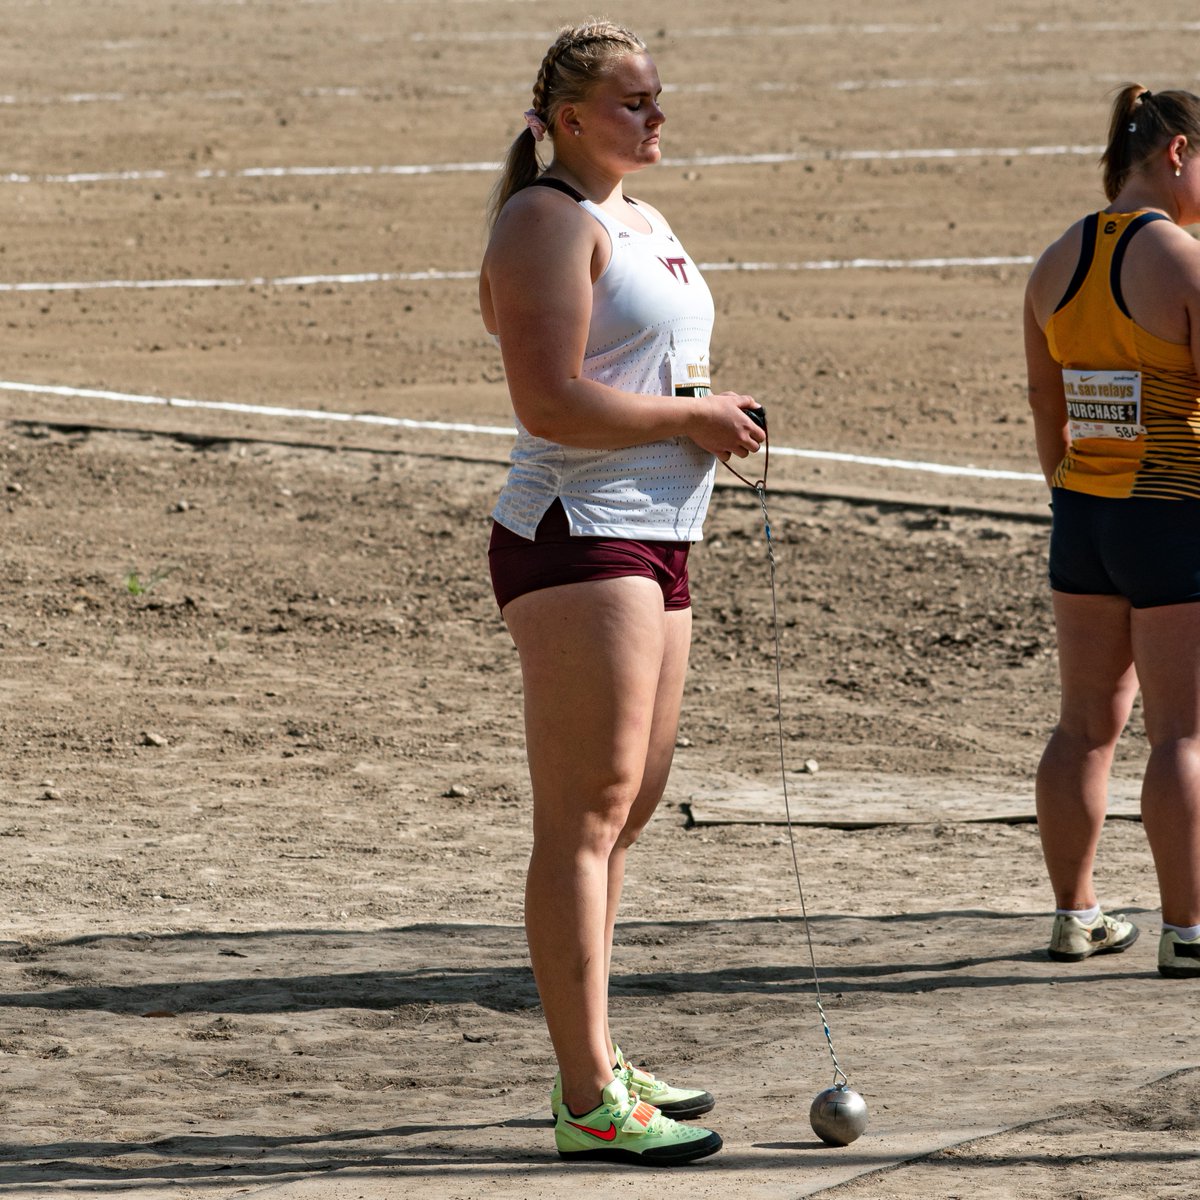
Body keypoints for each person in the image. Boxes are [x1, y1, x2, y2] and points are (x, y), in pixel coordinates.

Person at [478, 19, 765, 1164]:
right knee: (586, 815)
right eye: (635, 101)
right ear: (571, 118)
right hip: (576, 532)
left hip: (660, 532)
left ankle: (593, 1052)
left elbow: (644, 370)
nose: (657, 116)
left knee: (631, 806)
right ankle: (587, 1095)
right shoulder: (545, 221)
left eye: (660, 96)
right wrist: (692, 421)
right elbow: (548, 402)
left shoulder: (639, 217)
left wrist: (706, 408)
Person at [1024, 83, 1200, 979]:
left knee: (1084, 727)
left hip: (1083, 517)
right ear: (1176, 153)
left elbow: (1045, 406)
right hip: (1173, 514)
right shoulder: (1184, 261)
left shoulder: (1056, 259)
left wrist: (1079, 489)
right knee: (1184, 735)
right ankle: (1190, 930)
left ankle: (1076, 915)